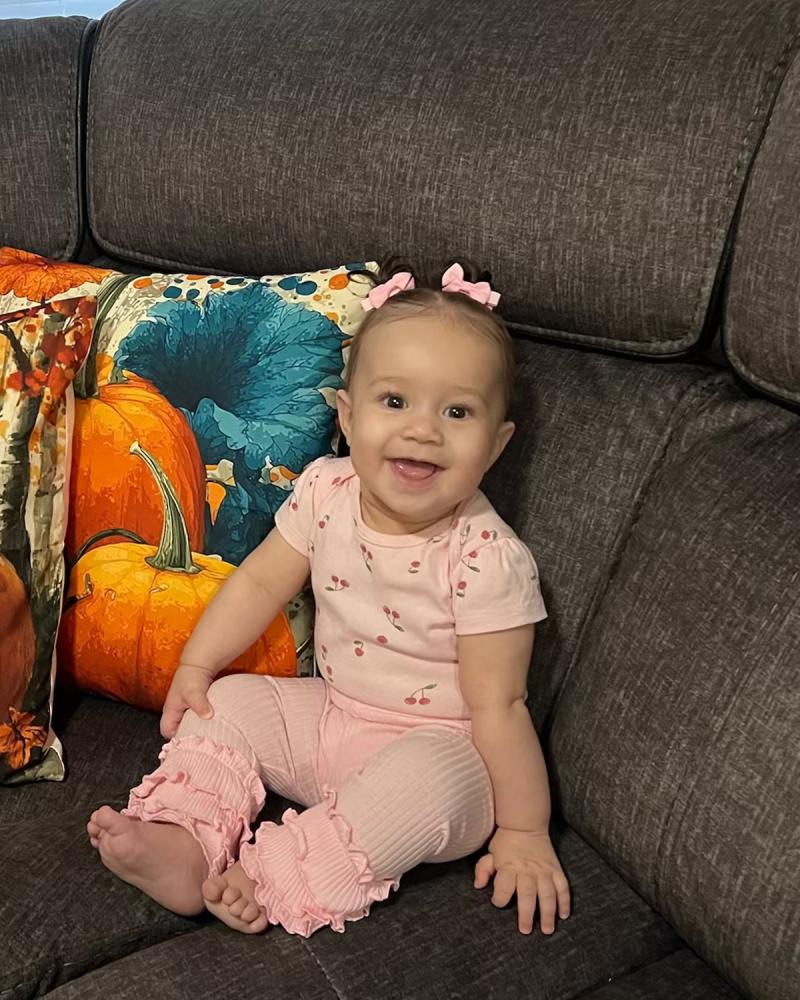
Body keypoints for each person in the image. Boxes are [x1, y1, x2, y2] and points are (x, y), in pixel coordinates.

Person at [87, 257, 571, 937]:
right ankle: (185, 839)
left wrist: (524, 831)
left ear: (495, 445)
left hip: (442, 752)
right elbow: (260, 581)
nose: (423, 429)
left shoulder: (486, 558)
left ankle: (276, 875)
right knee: (228, 701)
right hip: (332, 720)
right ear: (347, 415)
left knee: (423, 784)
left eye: (457, 411)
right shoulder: (326, 490)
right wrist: (197, 664)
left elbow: (501, 707)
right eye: (394, 401)